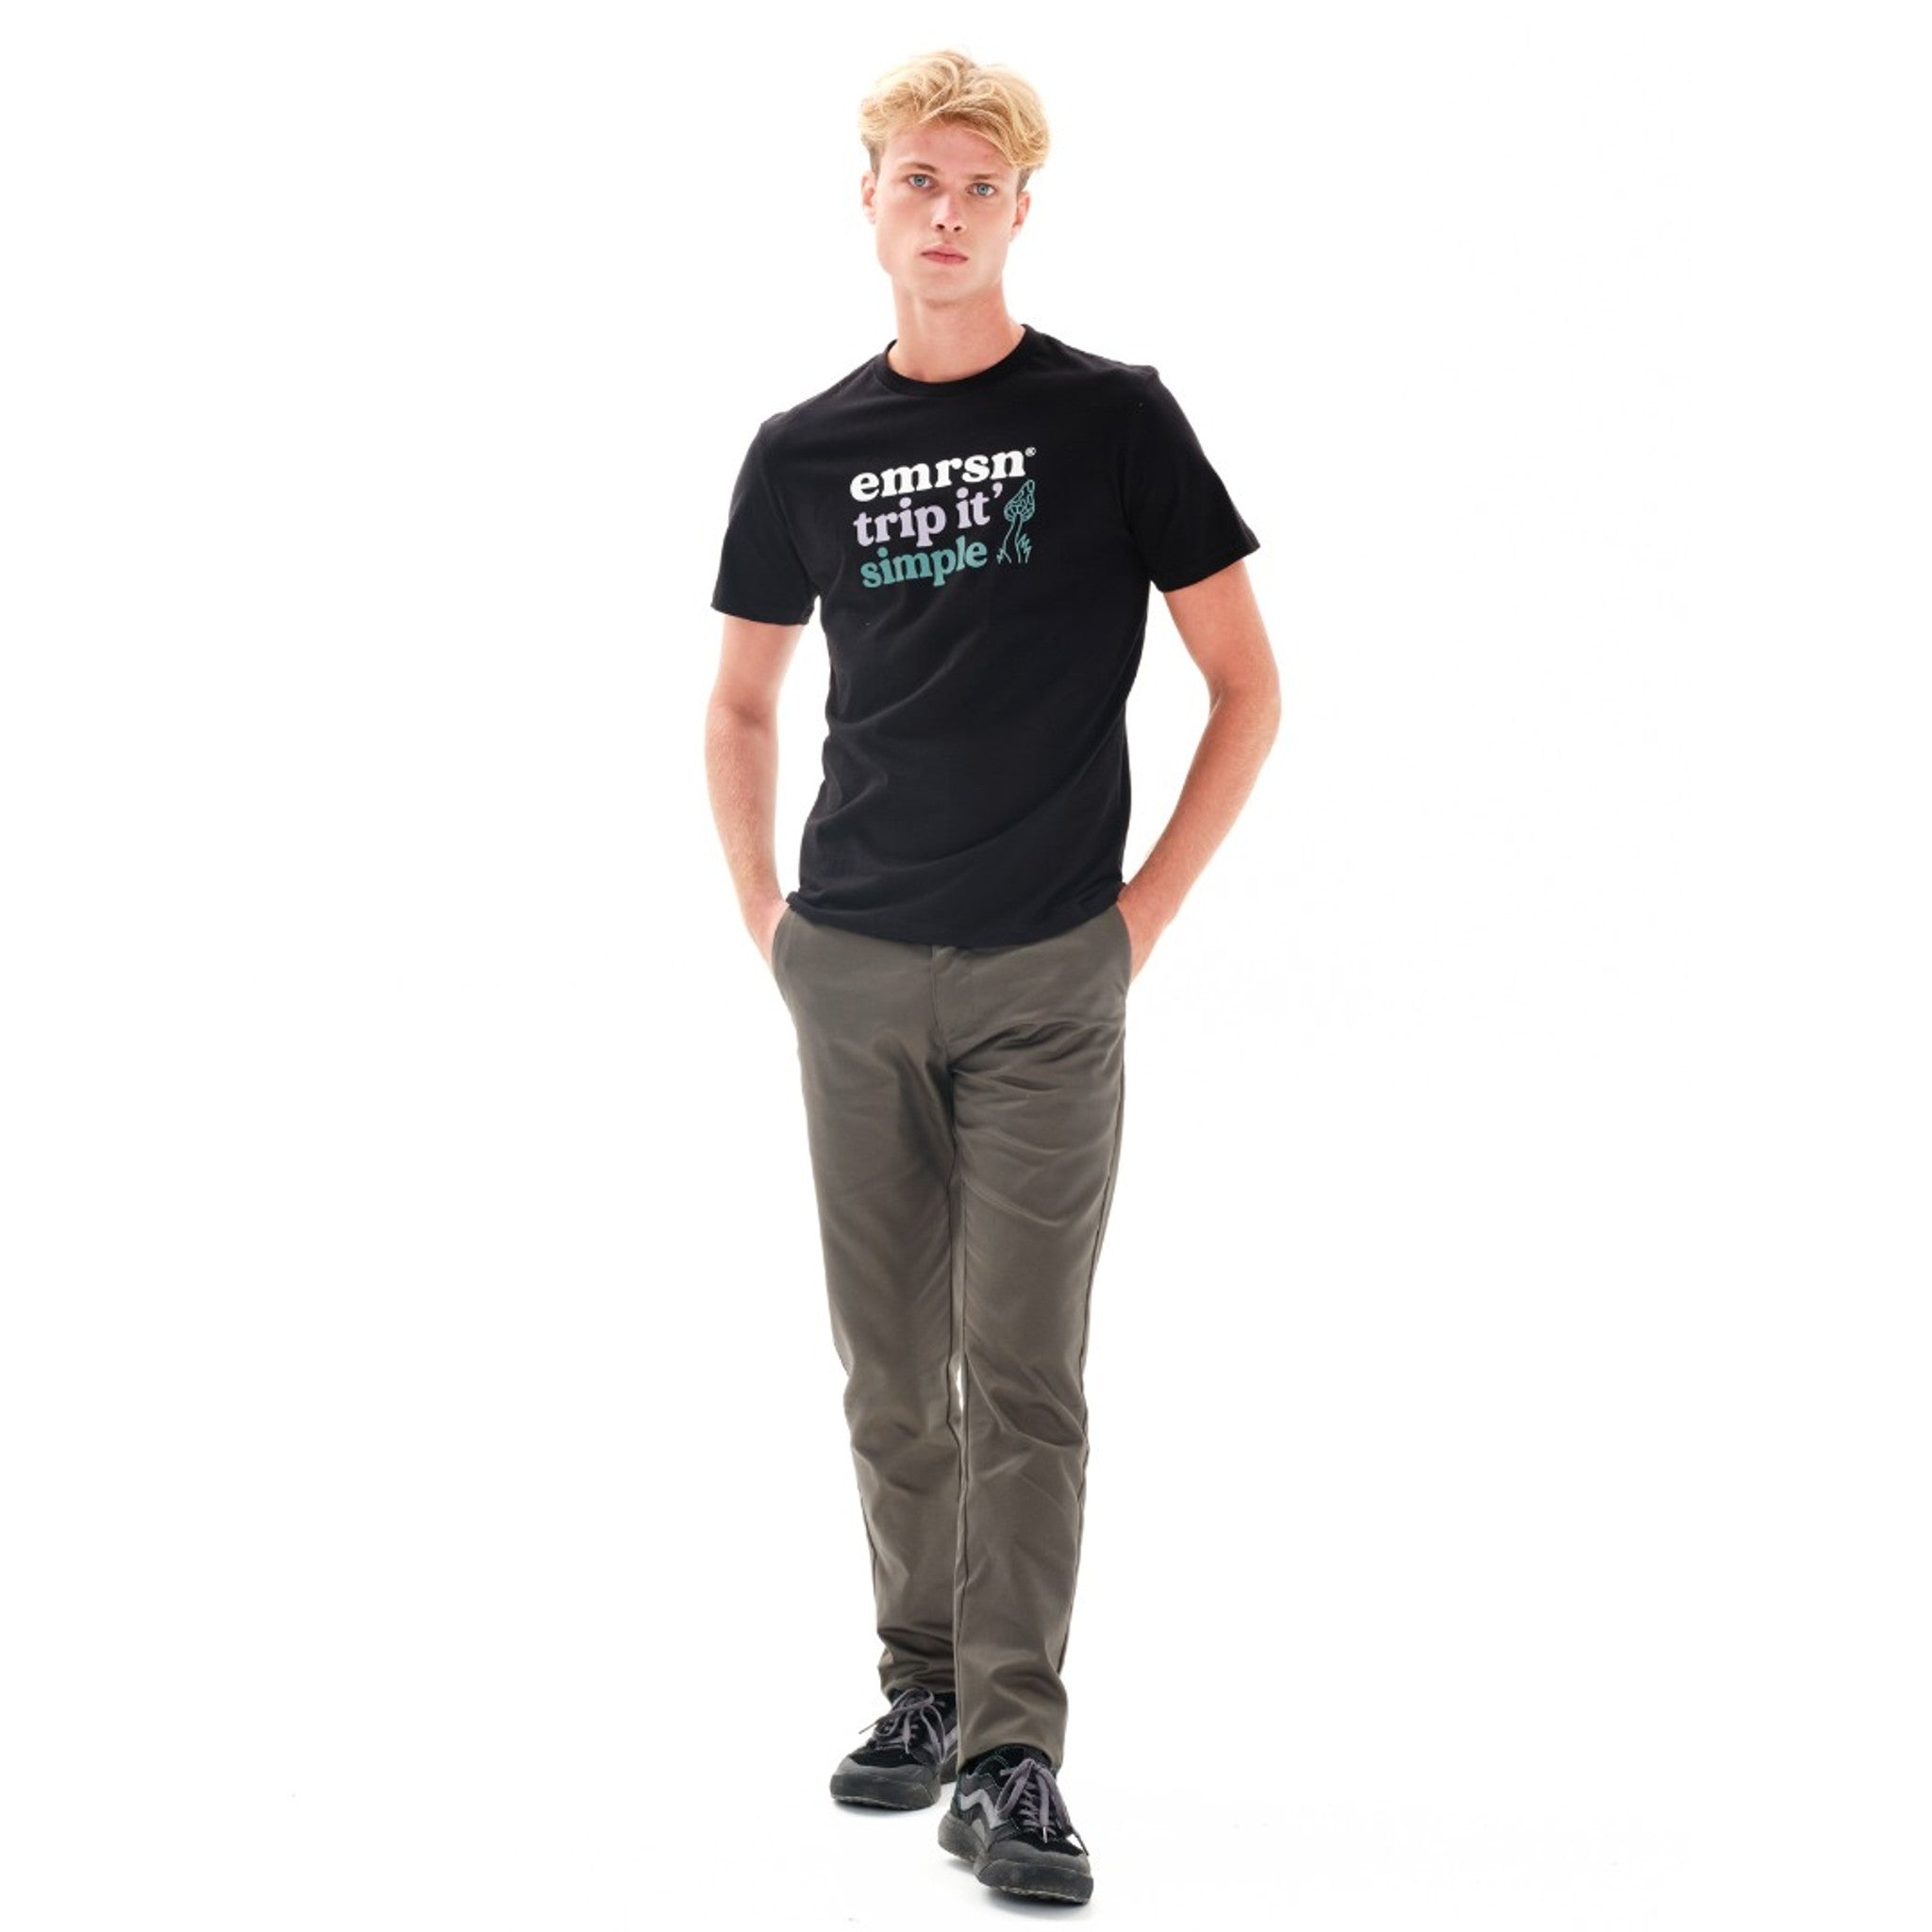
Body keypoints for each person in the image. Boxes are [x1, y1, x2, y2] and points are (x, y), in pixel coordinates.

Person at [704, 49, 1279, 1907]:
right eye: (916, 182)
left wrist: (1136, 923)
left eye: (977, 187)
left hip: (1049, 980)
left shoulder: (1113, 420)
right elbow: (740, 701)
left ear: (1022, 210)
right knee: (892, 1372)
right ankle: (926, 1687)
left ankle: (1014, 1755)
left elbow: (1246, 684)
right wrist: (771, 924)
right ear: (868, 202)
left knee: (1022, 1372)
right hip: (853, 967)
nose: (944, 213)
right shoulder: (801, 450)